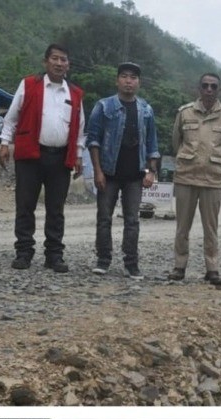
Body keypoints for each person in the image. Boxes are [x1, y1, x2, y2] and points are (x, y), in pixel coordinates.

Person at [0, 44, 85, 273]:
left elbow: (80, 127)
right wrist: (4, 143)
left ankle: (54, 255)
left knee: (56, 209)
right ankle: (24, 252)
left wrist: (78, 155)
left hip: (60, 159)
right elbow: (12, 117)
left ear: (68, 64)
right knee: (25, 205)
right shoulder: (29, 85)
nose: (59, 63)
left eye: (63, 59)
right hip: (30, 156)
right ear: (45, 62)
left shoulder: (75, 93)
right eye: (55, 58)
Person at [86, 61, 160, 279]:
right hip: (108, 173)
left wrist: (150, 171)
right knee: (104, 217)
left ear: (139, 82)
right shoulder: (104, 106)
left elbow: (153, 144)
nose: (129, 81)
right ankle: (103, 259)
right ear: (117, 80)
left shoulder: (146, 110)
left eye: (133, 78)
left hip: (135, 175)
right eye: (125, 76)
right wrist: (98, 171)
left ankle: (131, 263)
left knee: (132, 220)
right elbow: (94, 140)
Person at [169, 73, 221, 287]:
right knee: (182, 227)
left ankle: (212, 269)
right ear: (199, 88)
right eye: (205, 86)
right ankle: (179, 267)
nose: (209, 89)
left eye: (213, 86)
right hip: (186, 177)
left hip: (212, 179)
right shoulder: (184, 112)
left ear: (219, 90)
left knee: (211, 227)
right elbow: (176, 142)